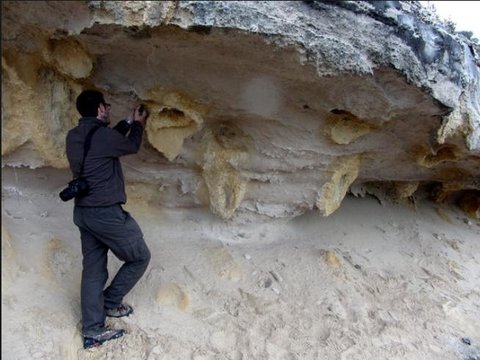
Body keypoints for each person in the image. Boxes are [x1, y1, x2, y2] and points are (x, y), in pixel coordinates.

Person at [66, 90, 151, 349]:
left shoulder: (74, 136)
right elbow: (129, 145)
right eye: (107, 107)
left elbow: (103, 139)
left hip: (83, 212)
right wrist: (138, 124)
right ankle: (111, 302)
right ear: (102, 109)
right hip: (106, 213)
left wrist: (126, 121)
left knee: (93, 270)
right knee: (139, 256)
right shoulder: (103, 136)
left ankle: (93, 330)